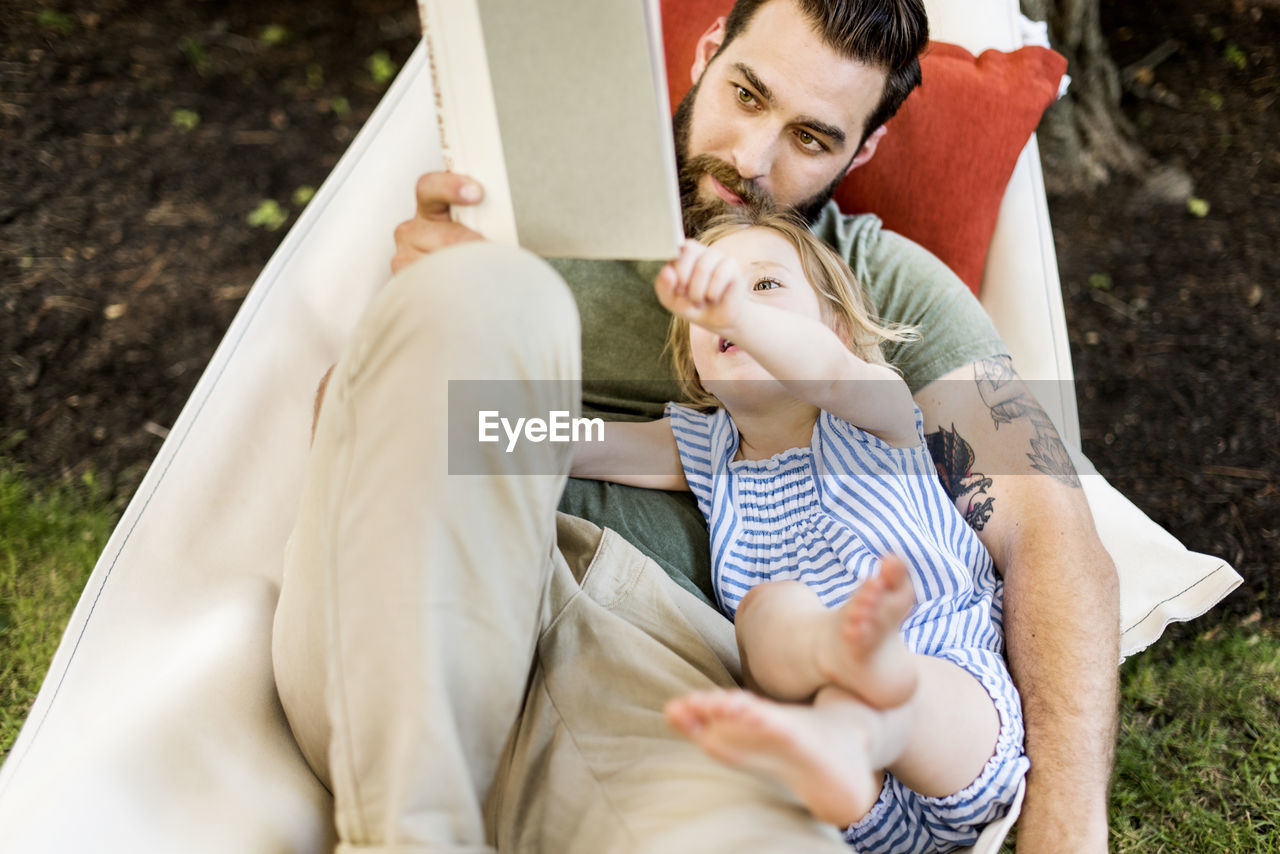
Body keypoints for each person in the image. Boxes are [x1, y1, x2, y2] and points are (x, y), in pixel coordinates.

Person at [272, 0, 1120, 850]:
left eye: (811, 138)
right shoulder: (524, 213)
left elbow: (1048, 523)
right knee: (496, 295)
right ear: (708, 52)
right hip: (432, 610)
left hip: (658, 701)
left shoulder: (874, 294)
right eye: (748, 94)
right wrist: (432, 321)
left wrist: (1066, 836)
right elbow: (368, 440)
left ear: (861, 151)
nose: (751, 158)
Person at [571, 209, 1030, 851]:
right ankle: (839, 702)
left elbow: (830, 372)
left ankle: (860, 691)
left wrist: (734, 314)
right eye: (711, 303)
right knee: (768, 609)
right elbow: (577, 443)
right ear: (695, 364)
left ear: (835, 328)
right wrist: (459, 423)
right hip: (845, 800)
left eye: (763, 285)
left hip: (951, 699)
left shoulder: (879, 410)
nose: (731, 303)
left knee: (905, 688)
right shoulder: (708, 451)